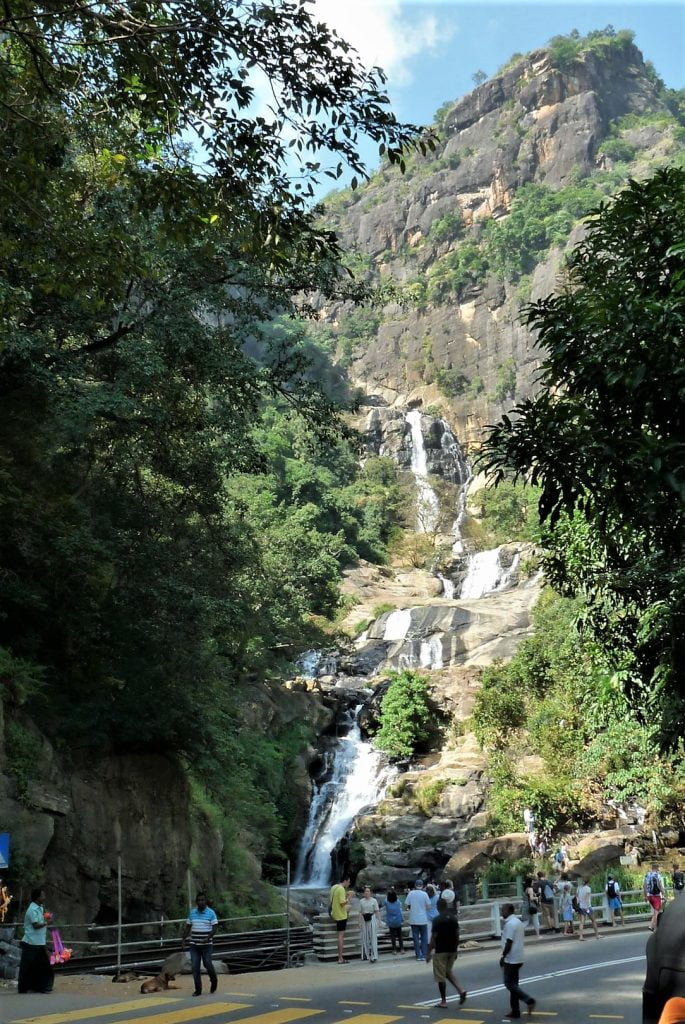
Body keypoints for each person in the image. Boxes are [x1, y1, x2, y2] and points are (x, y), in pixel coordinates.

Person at [426, 898, 467, 1009]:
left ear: (438, 907)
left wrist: (429, 952)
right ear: (446, 906)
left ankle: (443, 1001)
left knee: (440, 977)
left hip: (441, 951)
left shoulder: (437, 920)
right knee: (447, 972)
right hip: (452, 950)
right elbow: (457, 934)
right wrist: (456, 949)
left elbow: (434, 938)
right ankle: (461, 990)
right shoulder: (453, 919)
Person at [500, 903, 536, 1019]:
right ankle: (515, 1011)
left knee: (509, 983)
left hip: (511, 958)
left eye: (503, 910)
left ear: (509, 911)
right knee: (514, 985)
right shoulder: (518, 922)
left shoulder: (510, 924)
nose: (502, 912)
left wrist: (503, 956)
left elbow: (509, 942)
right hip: (519, 957)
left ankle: (528, 1000)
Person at [17, 887, 54, 994]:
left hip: (40, 941)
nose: (44, 897)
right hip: (31, 942)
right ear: (37, 898)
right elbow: (36, 925)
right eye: (42, 896)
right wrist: (47, 923)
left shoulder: (40, 907)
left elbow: (43, 919)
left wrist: (47, 917)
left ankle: (41, 987)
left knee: (43, 966)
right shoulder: (31, 910)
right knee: (27, 967)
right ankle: (24, 988)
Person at [181, 892, 218, 997]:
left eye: (203, 900)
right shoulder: (192, 913)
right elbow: (188, 927)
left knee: (207, 964)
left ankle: (214, 980)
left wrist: (208, 938)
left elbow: (215, 928)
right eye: (199, 900)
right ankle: (198, 989)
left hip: (206, 945)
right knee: (195, 966)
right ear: (196, 902)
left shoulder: (211, 913)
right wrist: (183, 939)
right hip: (194, 945)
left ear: (206, 901)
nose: (201, 902)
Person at [405, 879, 432, 961]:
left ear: (415, 885)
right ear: (422, 886)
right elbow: (429, 907)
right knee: (424, 938)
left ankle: (418, 955)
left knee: (416, 938)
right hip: (423, 919)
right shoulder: (425, 894)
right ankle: (424, 954)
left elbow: (406, 905)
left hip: (413, 919)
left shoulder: (410, 893)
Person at [329, 874, 351, 963]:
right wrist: (348, 898)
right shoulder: (341, 889)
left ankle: (340, 957)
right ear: (345, 881)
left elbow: (331, 900)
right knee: (340, 936)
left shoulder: (334, 887)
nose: (349, 884)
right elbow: (342, 903)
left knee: (339, 936)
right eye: (348, 882)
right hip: (341, 916)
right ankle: (340, 958)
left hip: (334, 913)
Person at [358, 886, 381, 963]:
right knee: (365, 937)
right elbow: (360, 912)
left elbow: (377, 911)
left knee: (373, 937)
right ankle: (365, 954)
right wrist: (359, 922)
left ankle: (374, 956)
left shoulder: (374, 901)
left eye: (368, 891)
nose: (367, 893)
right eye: (365, 891)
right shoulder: (361, 901)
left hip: (372, 918)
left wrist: (379, 921)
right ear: (364, 893)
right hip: (364, 919)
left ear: (370, 892)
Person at [577, 877, 600, 941]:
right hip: (587, 907)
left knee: (581, 922)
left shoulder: (579, 888)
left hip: (581, 907)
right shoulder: (588, 889)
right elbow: (587, 899)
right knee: (593, 921)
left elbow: (577, 897)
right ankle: (597, 935)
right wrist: (587, 908)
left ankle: (581, 936)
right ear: (588, 882)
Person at [644, 863, 666, 931]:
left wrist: (645, 896)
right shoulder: (657, 875)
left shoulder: (647, 875)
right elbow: (659, 885)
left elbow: (644, 886)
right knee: (656, 913)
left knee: (655, 911)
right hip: (656, 896)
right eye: (658, 868)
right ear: (656, 868)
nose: (658, 869)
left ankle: (651, 926)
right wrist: (663, 892)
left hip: (649, 896)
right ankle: (656, 928)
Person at [385, 889, 405, 954]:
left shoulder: (386, 902)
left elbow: (384, 903)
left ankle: (394, 950)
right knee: (400, 936)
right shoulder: (398, 902)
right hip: (398, 920)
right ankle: (402, 949)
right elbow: (400, 911)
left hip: (391, 922)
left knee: (392, 936)